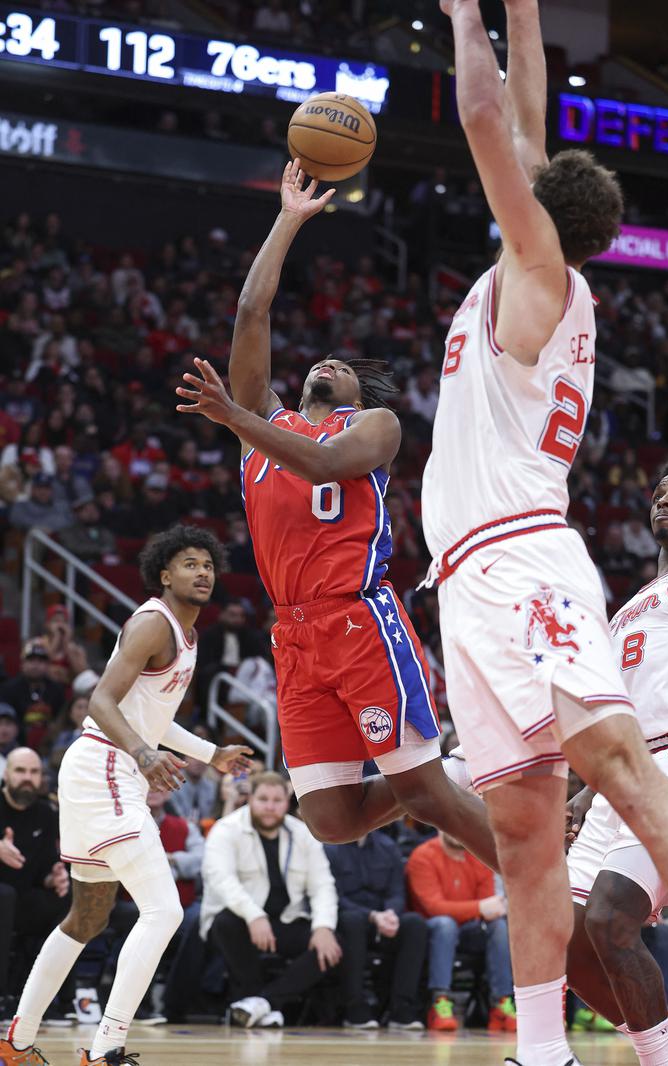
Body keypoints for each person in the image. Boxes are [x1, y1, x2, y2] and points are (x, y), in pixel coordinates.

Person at [422, 3, 668, 1065]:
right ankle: (541, 1053)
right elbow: (523, 123)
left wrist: (460, 18)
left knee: (616, 766)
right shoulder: (536, 272)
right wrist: (522, 15)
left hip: (523, 556)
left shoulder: (536, 276)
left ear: (531, 212)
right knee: (526, 833)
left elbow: (483, 112)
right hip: (466, 578)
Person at [176, 159, 497, 871]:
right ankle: (445, 767)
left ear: (357, 389)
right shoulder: (266, 419)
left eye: (342, 366)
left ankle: (544, 886)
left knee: (425, 793)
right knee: (330, 820)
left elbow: (320, 466)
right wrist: (288, 220)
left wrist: (234, 417)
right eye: (322, 359)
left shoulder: (375, 426)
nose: (327, 362)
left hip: (358, 619)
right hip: (292, 633)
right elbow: (251, 313)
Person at [0, 525, 252, 1066]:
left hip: (106, 769)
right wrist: (141, 753)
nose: (202, 571)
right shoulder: (150, 623)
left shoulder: (188, 635)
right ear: (165, 575)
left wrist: (212, 754)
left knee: (87, 918)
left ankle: (15, 1041)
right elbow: (100, 702)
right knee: (163, 910)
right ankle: (106, 1047)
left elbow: (152, 717)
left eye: (208, 564)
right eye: (189, 563)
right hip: (105, 767)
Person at [565, 456, 668, 1066]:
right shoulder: (635, 602)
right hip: (616, 777)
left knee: (612, 919)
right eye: (661, 492)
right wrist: (586, 790)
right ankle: (665, 1046)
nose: (667, 499)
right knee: (566, 934)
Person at [201, 770, 341, 1028]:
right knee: (225, 922)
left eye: (277, 801)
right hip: (243, 922)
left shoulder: (303, 834)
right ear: (250, 799)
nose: (270, 807)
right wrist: (254, 915)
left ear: (287, 802)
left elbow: (323, 885)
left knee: (332, 943)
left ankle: (262, 1004)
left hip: (286, 920)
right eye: (263, 799)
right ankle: (258, 1001)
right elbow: (221, 880)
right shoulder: (226, 829)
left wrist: (323, 927)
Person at [406, 831, 516, 1033]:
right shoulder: (423, 856)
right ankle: (440, 1002)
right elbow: (433, 907)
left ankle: (501, 1002)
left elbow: (489, 908)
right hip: (430, 930)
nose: (456, 830)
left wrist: (481, 909)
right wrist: (479, 908)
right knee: (445, 924)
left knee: (498, 926)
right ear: (439, 827)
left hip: (467, 929)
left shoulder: (477, 856)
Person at [325, 828, 427, 1029]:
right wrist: (372, 916)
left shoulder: (388, 847)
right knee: (352, 921)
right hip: (349, 921)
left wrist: (391, 914)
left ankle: (401, 1008)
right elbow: (334, 898)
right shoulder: (330, 848)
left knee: (415, 923)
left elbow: (397, 892)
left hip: (383, 921)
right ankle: (354, 1006)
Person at [0, 749, 70, 1025]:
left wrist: (54, 878)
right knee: (4, 896)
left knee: (66, 898)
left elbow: (45, 868)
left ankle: (53, 1001)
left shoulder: (47, 814)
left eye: (34, 772)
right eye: (20, 771)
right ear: (6, 775)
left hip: (21, 901)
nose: (27, 778)